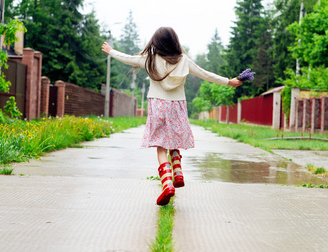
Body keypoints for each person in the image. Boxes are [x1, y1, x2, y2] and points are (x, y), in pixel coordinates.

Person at [101, 27, 242, 206]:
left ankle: (167, 184)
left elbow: (130, 59)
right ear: (175, 42)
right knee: (173, 139)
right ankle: (178, 170)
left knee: (161, 146)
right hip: (177, 105)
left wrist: (111, 51)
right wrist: (230, 82)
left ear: (156, 43)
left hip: (157, 104)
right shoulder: (184, 61)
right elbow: (206, 74)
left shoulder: (149, 59)